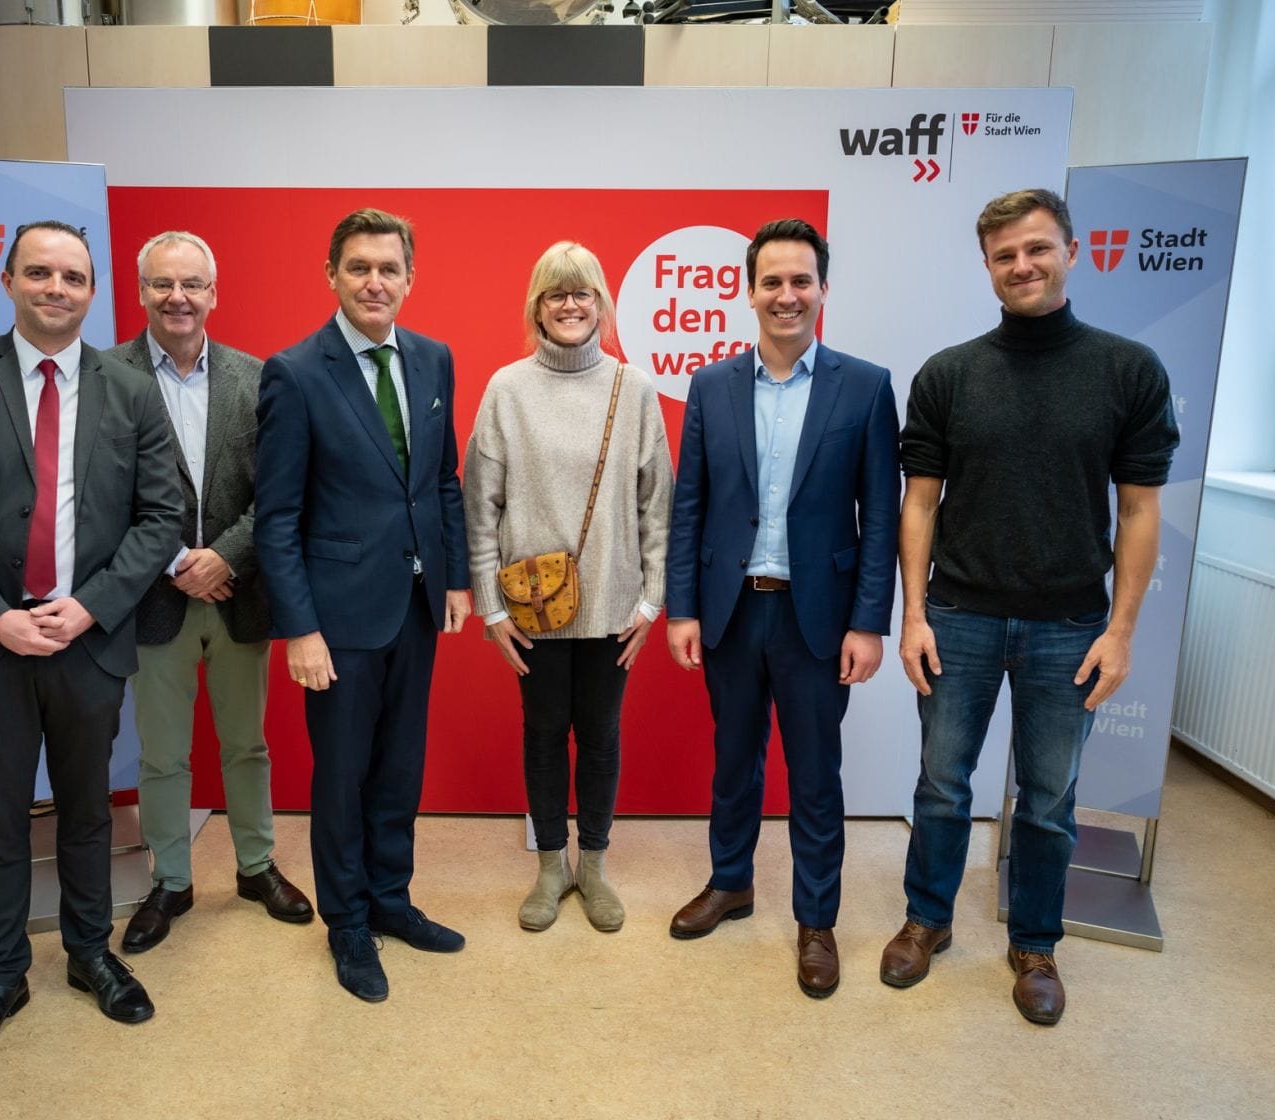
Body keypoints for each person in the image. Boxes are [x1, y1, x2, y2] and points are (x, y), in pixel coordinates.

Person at [0, 220, 183, 1073]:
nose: (57, 288)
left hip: (86, 644)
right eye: (41, 273)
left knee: (90, 811)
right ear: (10, 280)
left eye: (75, 277)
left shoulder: (131, 392)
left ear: (94, 291)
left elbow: (160, 515)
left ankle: (91, 953)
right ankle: (1, 974)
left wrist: (90, 607)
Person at [883, 188, 1178, 1026]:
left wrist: (1121, 632)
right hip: (960, 618)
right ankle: (926, 920)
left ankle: (1037, 944)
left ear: (1071, 253)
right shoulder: (949, 374)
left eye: (1038, 249)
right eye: (1006, 255)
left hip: (1071, 627)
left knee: (1049, 798)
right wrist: (913, 614)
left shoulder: (1127, 370)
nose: (1023, 266)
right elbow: (919, 502)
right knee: (943, 785)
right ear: (987, 267)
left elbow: (1141, 511)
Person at [665, 218, 899, 1000]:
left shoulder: (865, 386)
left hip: (817, 618)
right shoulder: (711, 386)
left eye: (802, 281)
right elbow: (688, 506)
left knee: (814, 776)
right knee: (733, 762)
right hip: (732, 611)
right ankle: (730, 882)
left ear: (823, 290)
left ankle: (816, 920)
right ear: (749, 290)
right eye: (772, 281)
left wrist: (868, 621)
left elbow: (880, 518)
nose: (787, 295)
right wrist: (683, 609)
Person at [254, 208, 471, 1002]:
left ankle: (390, 899)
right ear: (332, 276)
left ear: (410, 279)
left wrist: (453, 580)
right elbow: (277, 517)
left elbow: (441, 479)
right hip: (336, 619)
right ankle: (347, 924)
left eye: (389, 268)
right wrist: (300, 629)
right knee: (342, 777)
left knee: (399, 768)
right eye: (358, 267)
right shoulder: (296, 372)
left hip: (416, 605)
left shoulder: (433, 359)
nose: (374, 281)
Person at [107, 231, 314, 955]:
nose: (178, 298)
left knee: (246, 744)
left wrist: (222, 556)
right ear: (141, 293)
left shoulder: (258, 379)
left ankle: (256, 867)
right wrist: (171, 561)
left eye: (192, 284)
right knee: (161, 756)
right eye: (163, 284)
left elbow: (282, 493)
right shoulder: (106, 376)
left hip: (238, 594)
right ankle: (171, 880)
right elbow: (102, 497)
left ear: (214, 294)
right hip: (154, 600)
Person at [463, 242, 673, 934]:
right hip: (532, 609)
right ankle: (552, 864)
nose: (570, 304)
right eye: (556, 293)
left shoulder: (632, 387)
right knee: (545, 732)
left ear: (601, 304)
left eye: (582, 292)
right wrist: (491, 609)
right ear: (537, 307)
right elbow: (479, 505)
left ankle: (596, 866)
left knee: (602, 734)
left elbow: (656, 505)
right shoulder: (507, 389)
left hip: (614, 605)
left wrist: (650, 600)